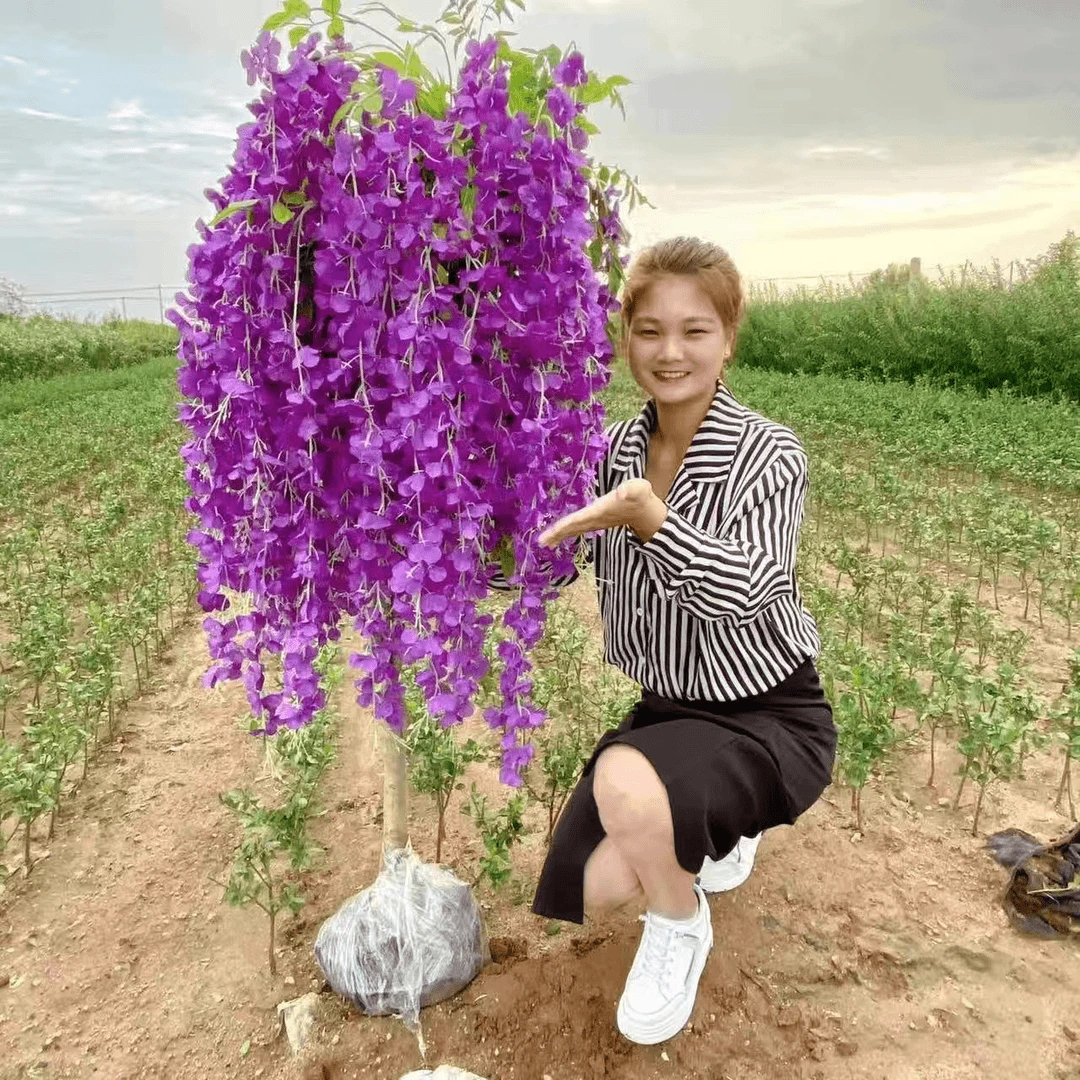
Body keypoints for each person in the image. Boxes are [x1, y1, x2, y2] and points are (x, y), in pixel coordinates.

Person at [523, 236, 837, 1046]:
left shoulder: (770, 452)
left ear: (729, 338)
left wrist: (654, 521)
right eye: (649, 330)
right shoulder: (612, 451)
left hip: (769, 709)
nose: (671, 352)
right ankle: (706, 833)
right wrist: (487, 550)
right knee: (588, 884)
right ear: (624, 336)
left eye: (695, 331)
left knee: (626, 783)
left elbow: (748, 588)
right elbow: (563, 559)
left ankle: (680, 919)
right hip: (671, 708)